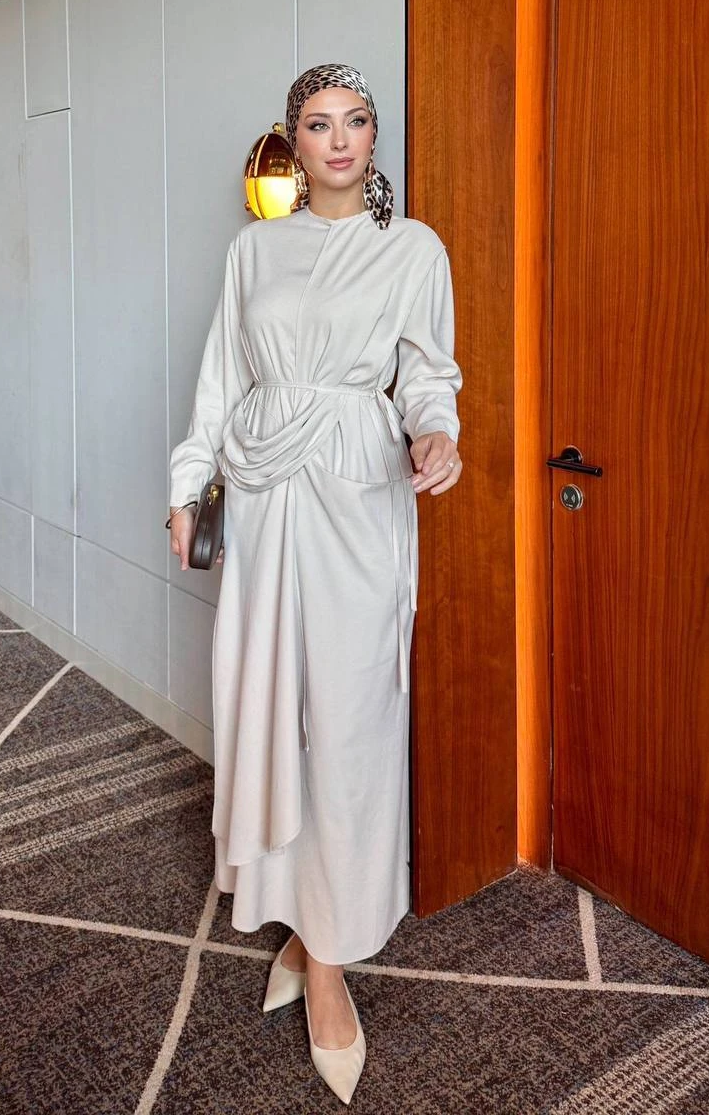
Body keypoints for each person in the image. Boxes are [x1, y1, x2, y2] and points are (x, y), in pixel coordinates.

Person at [166, 63, 462, 1104]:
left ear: (375, 137)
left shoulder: (413, 247)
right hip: (261, 497)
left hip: (357, 495)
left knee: (349, 721)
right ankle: (303, 925)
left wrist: (436, 431)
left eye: (356, 120)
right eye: (318, 123)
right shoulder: (254, 249)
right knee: (270, 710)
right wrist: (187, 483)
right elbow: (220, 380)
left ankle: (328, 950)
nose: (339, 138)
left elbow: (428, 372)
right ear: (292, 141)